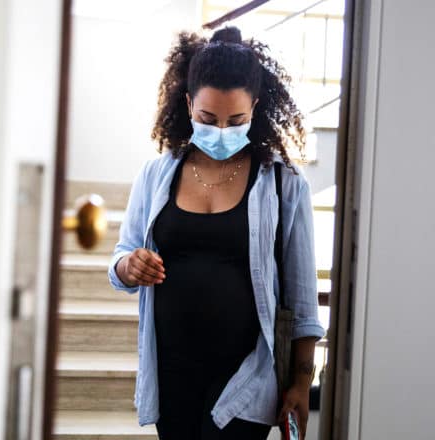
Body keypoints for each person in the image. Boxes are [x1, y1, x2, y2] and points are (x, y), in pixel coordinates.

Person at [107, 25, 325, 440]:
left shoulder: (283, 184)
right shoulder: (156, 174)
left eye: (236, 120)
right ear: (188, 104)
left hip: (248, 377)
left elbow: (301, 299)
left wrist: (299, 383)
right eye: (208, 118)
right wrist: (129, 265)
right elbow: (120, 260)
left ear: (255, 109)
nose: (221, 131)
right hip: (170, 371)